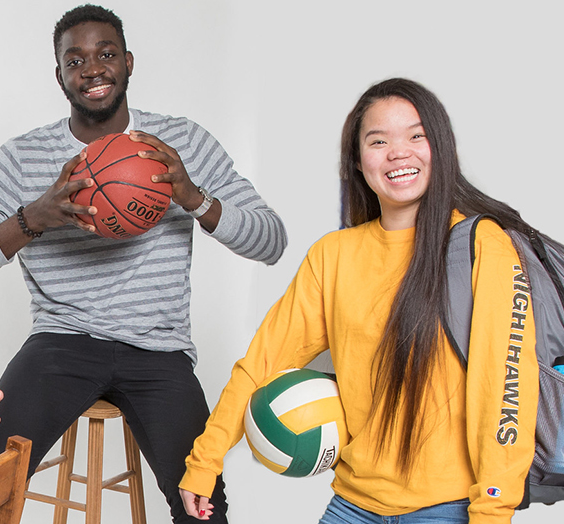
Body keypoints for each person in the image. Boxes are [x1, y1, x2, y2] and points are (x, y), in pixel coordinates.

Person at [0, 4, 286, 523]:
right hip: (61, 342)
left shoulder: (180, 142)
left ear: (129, 63)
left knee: (204, 505)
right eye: (75, 61)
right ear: (59, 77)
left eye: (106, 54)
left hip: (159, 349)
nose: (92, 69)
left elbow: (271, 241)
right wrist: (32, 218)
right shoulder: (23, 157)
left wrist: (192, 196)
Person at [178, 78, 539, 524]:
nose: (398, 152)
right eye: (378, 140)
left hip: (453, 507)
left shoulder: (482, 246)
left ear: (441, 148)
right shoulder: (334, 255)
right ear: (358, 160)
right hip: (353, 505)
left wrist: (492, 511)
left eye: (416, 135)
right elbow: (263, 362)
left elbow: (505, 388)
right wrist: (205, 463)